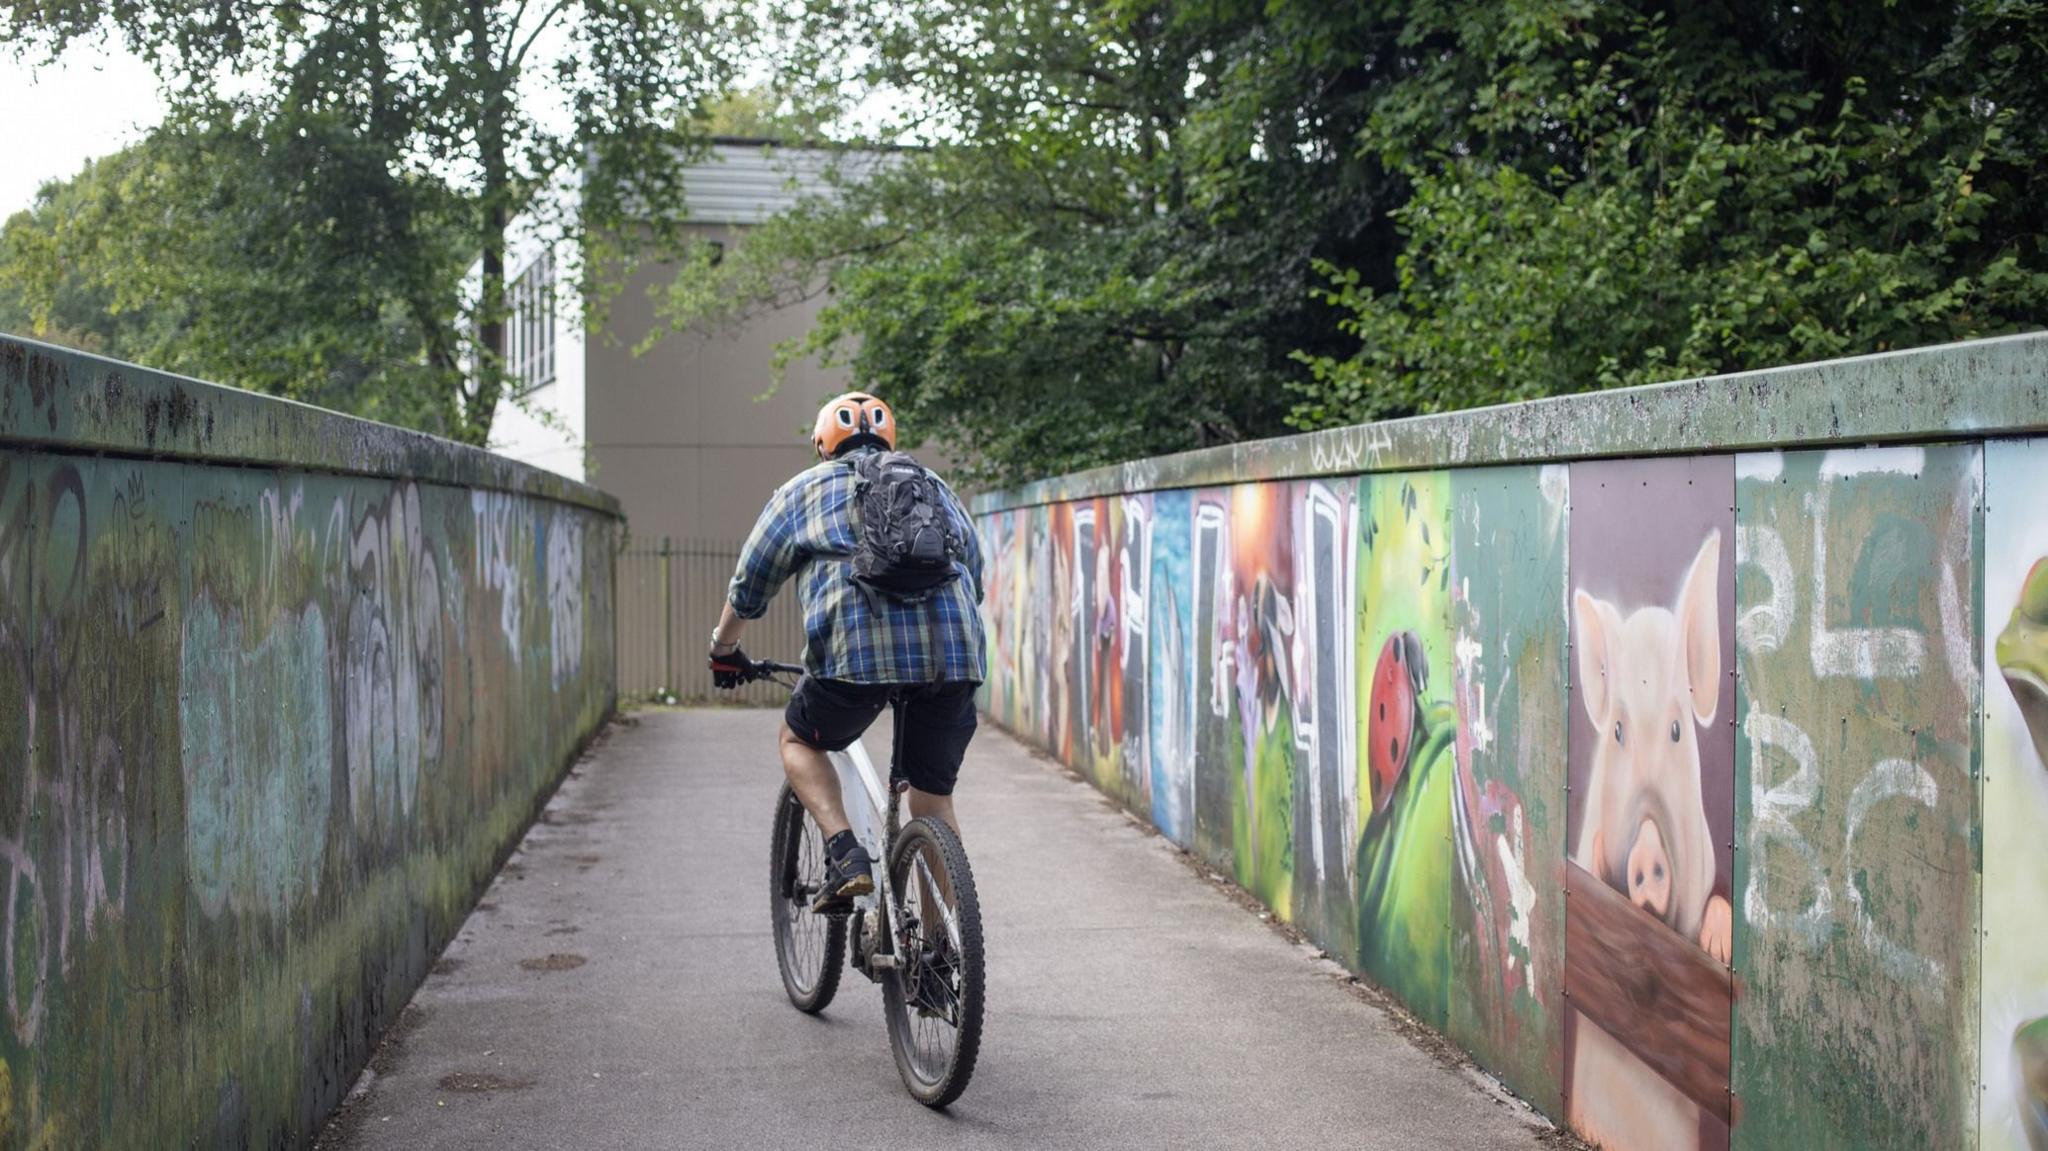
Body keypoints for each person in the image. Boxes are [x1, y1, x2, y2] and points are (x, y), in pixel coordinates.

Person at [707, 391, 985, 912]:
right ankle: (944, 956)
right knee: (932, 794)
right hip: (953, 657)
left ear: (822, 445)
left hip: (853, 660)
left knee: (799, 739)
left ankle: (845, 855)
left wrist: (724, 649)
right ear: (889, 440)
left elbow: (751, 583)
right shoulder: (933, 485)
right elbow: (976, 569)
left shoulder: (801, 491)